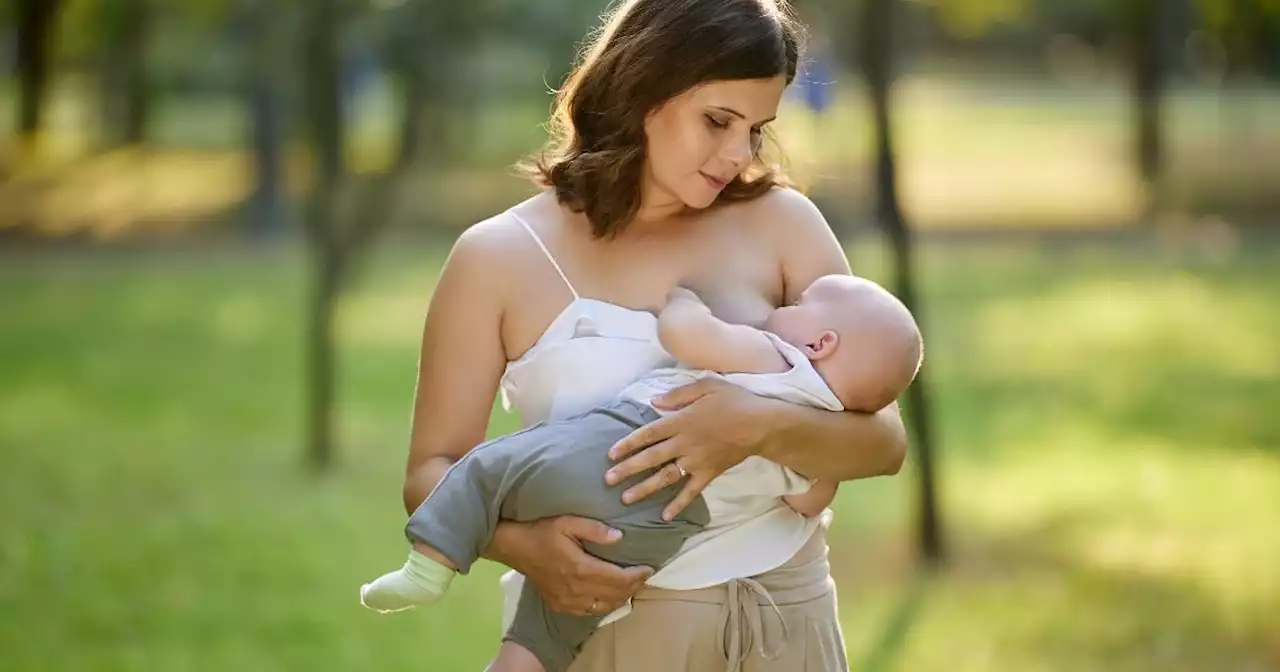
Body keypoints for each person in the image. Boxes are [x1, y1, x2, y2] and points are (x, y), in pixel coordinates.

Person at [399, 1, 909, 669]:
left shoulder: (783, 222)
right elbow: (429, 474)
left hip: (787, 624)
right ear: (644, 85)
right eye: (717, 121)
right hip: (610, 632)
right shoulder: (497, 256)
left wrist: (750, 425)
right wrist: (529, 550)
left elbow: (883, 442)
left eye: (756, 129)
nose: (738, 153)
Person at [361, 275, 922, 672]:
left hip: (619, 458)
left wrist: (683, 302)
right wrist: (526, 549)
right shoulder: (818, 435)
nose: (787, 306)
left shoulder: (774, 355)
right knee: (556, 627)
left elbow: (689, 337)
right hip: (662, 531)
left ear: (820, 343)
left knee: (488, 468)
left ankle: (430, 567)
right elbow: (811, 500)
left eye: (800, 303)